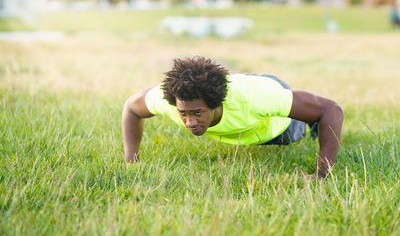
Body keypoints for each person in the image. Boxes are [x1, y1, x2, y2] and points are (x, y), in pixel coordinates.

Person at [122, 56, 343, 179]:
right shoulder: (172, 99)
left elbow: (332, 110)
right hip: (242, 84)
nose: (189, 122)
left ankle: (312, 126)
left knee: (300, 129)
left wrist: (322, 174)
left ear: (217, 103)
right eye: (184, 113)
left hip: (273, 117)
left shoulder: (257, 99)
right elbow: (131, 108)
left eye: (197, 113)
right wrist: (131, 160)